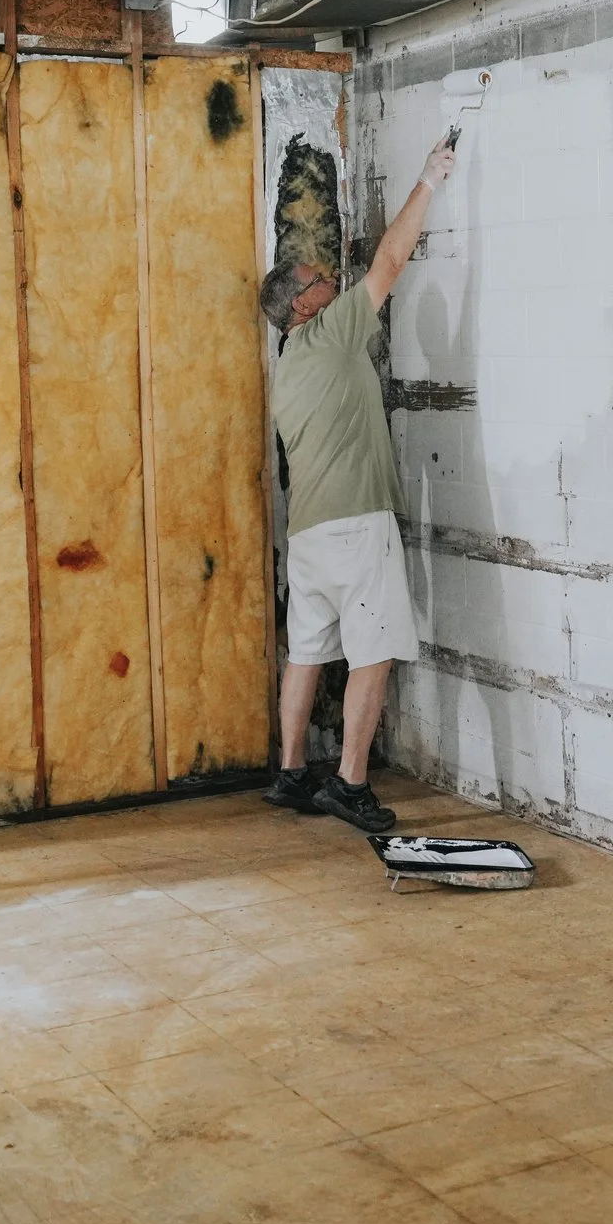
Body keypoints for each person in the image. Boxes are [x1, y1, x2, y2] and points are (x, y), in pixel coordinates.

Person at [256, 130, 460, 832]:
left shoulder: (288, 369)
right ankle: (349, 783)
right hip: (355, 526)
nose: (330, 279)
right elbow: (391, 260)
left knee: (307, 652)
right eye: (318, 279)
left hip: (310, 537)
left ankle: (290, 773)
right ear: (303, 305)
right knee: (373, 655)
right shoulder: (330, 332)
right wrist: (428, 179)